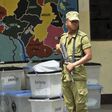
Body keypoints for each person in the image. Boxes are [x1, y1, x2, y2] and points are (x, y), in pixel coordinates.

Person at [56, 11, 92, 112]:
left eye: (76, 21)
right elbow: (63, 53)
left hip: (78, 75)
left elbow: (89, 56)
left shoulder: (82, 37)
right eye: (72, 21)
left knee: (80, 105)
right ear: (66, 22)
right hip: (66, 76)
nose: (75, 24)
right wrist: (58, 49)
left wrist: (74, 64)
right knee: (69, 105)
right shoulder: (63, 37)